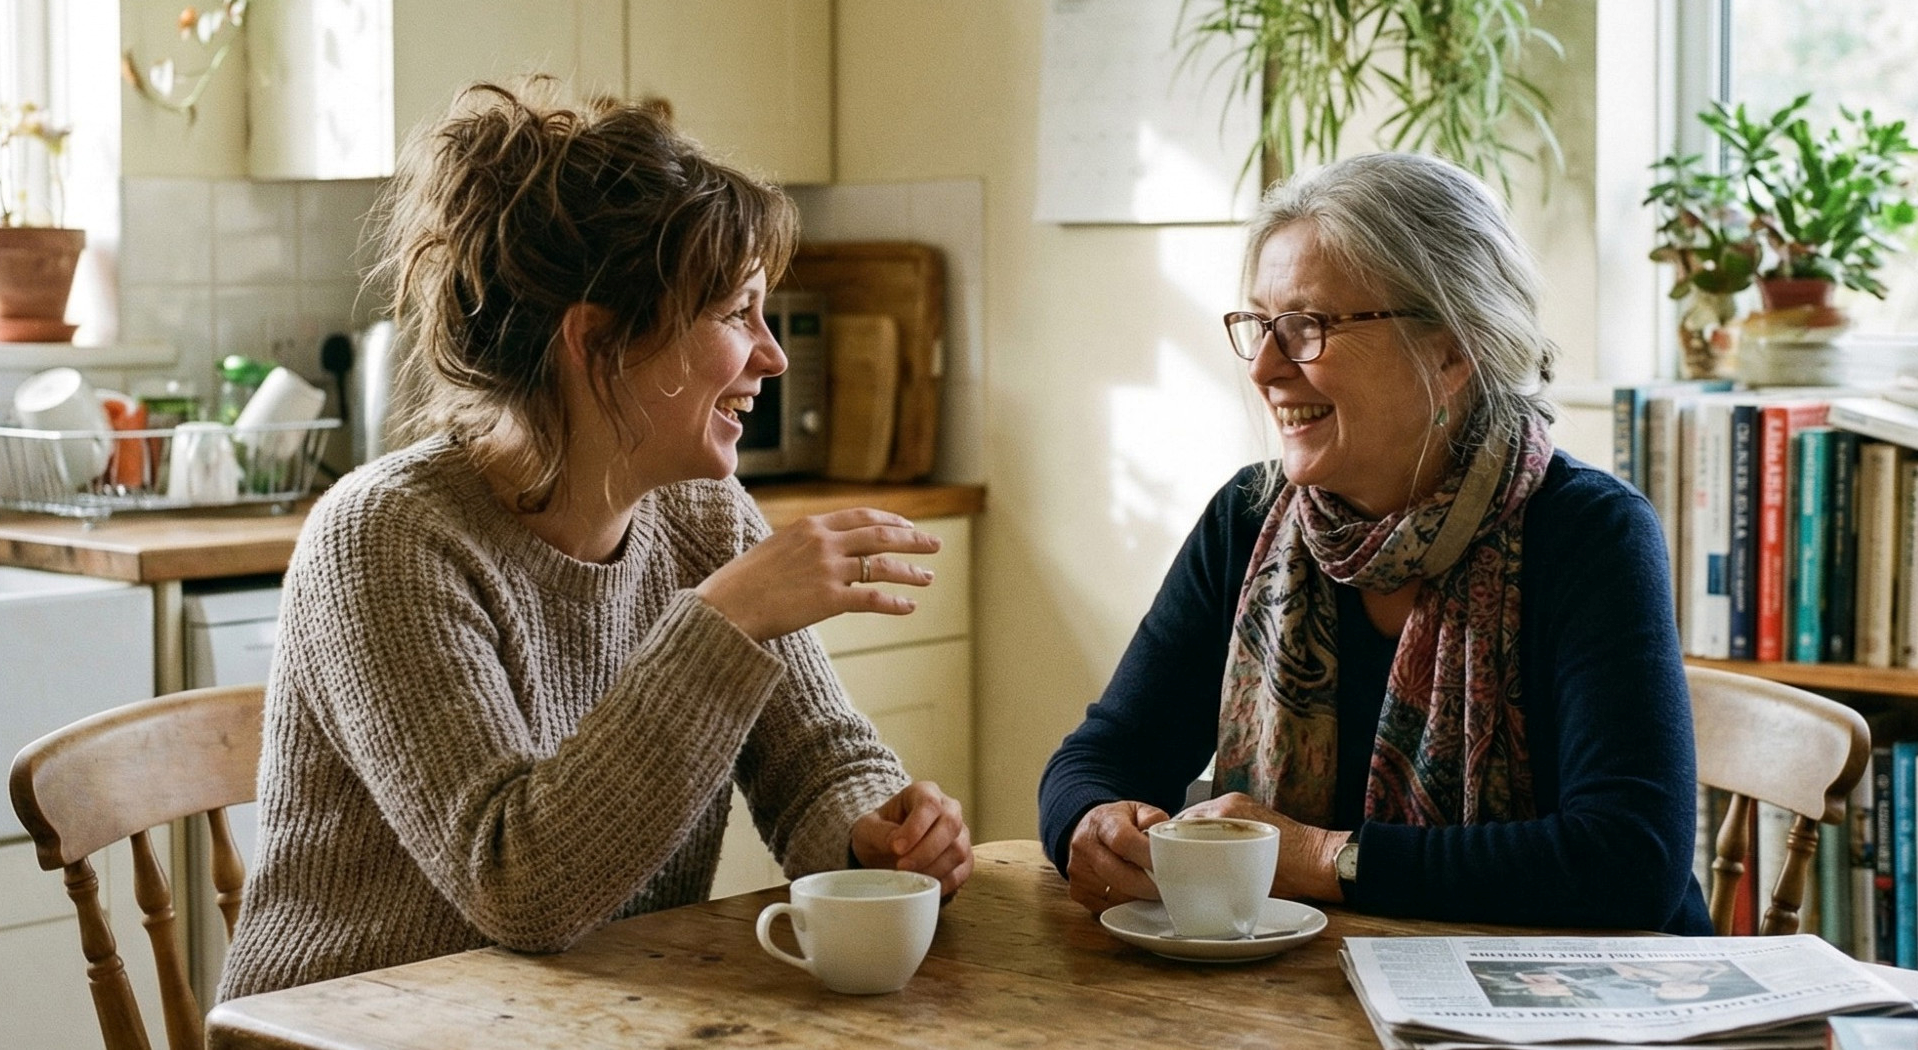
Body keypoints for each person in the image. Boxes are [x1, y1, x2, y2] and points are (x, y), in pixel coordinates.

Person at [219, 82, 972, 999]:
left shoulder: (705, 515)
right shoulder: (388, 539)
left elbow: (817, 762)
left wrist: (877, 832)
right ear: (597, 342)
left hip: (580, 1017)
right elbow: (518, 887)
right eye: (736, 314)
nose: (771, 355)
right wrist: (723, 620)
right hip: (354, 1024)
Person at [1037, 152, 1706, 934]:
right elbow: (1101, 756)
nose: (1263, 367)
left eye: (1308, 327)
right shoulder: (1249, 520)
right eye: (1259, 324)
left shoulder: (1590, 534)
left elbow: (1628, 863)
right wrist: (1089, 824)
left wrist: (1322, 858)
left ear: (1452, 351)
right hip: (1317, 1001)